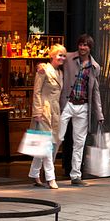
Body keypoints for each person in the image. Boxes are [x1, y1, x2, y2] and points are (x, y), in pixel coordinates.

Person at [58, 34, 105, 186]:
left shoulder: (95, 67)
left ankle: (75, 175)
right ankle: (48, 174)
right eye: (81, 44)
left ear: (90, 48)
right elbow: (54, 63)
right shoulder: (68, 58)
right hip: (66, 104)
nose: (82, 47)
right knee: (57, 138)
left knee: (79, 142)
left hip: (83, 106)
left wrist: (99, 114)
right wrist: (42, 67)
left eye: (86, 45)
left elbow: (95, 91)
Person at [29, 44, 66, 189]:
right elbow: (37, 92)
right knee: (47, 144)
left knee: (45, 143)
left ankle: (34, 173)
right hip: (44, 110)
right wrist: (37, 111)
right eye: (59, 55)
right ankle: (51, 177)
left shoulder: (60, 73)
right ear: (52, 56)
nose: (62, 58)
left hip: (55, 110)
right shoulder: (43, 71)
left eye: (63, 55)